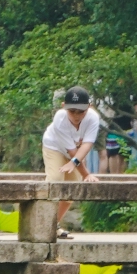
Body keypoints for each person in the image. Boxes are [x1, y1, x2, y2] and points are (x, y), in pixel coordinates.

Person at [41, 84, 100, 225]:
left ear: (89, 107)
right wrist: (86, 174)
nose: (76, 116)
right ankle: (43, 224)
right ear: (63, 106)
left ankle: (53, 225)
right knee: (54, 181)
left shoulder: (93, 118)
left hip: (77, 151)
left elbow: (86, 145)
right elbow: (72, 151)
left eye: (81, 112)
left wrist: (74, 163)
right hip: (54, 146)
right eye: (72, 111)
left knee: (71, 190)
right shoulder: (60, 119)